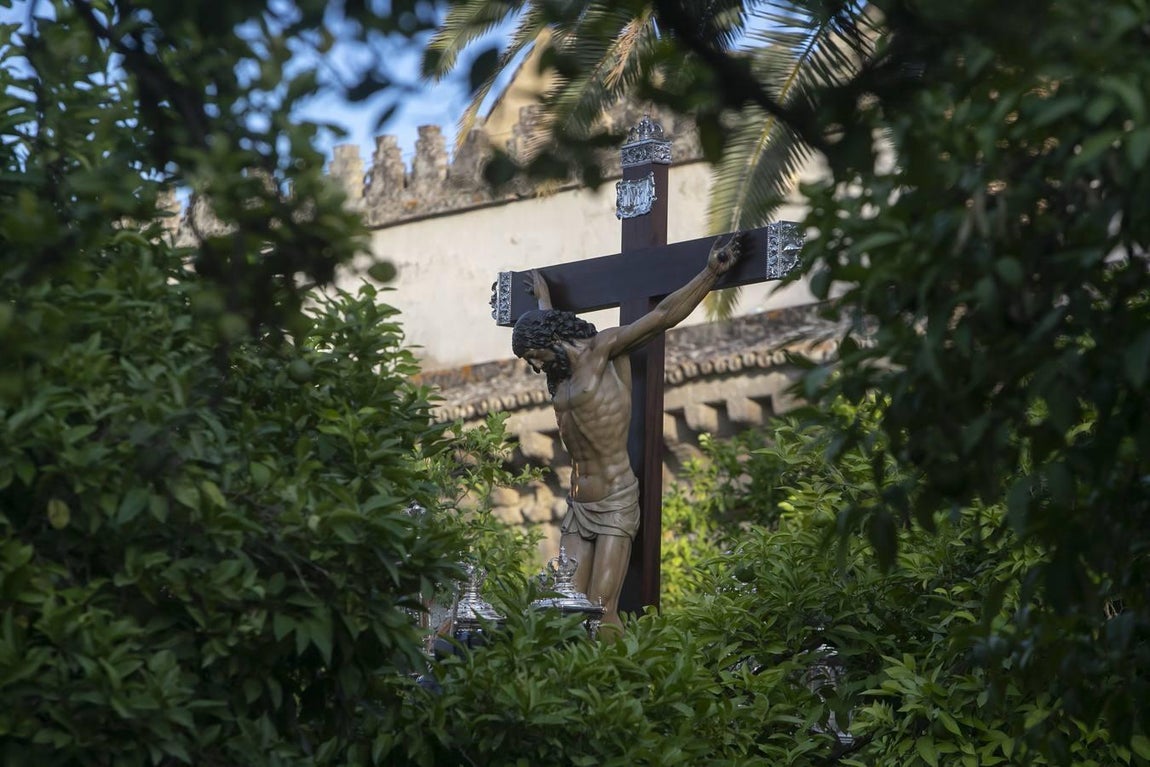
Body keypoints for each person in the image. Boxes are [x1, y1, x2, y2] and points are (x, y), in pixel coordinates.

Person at [512, 234, 743, 630]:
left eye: (535, 355)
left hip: (615, 497)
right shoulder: (558, 374)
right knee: (563, 611)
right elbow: (546, 325)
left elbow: (663, 315)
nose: (535, 366)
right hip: (578, 502)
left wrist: (709, 273)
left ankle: (624, 685)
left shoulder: (603, 352)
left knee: (601, 612)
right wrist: (543, 299)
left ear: (551, 340)